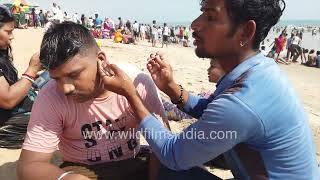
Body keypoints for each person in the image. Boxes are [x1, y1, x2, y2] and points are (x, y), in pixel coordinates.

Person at [98, 0, 319, 179]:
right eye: (201, 13)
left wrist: (130, 94)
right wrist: (172, 88)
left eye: (211, 17)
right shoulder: (260, 69)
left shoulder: (243, 101)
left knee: (165, 168)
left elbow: (173, 154)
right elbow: (213, 110)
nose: (195, 24)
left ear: (245, 32)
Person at [17, 22, 169, 180]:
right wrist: (68, 178)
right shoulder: (50, 96)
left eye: (74, 75)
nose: (65, 88)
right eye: (56, 79)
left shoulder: (136, 83)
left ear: (101, 59)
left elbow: (162, 145)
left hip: (133, 161)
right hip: (82, 169)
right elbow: (29, 166)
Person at [0, 5, 43, 148]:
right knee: (52, 114)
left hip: (12, 104)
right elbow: (7, 100)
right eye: (8, 32)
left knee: (49, 77)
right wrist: (31, 71)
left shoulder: (2, 52)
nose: (12, 36)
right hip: (6, 115)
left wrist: (30, 77)